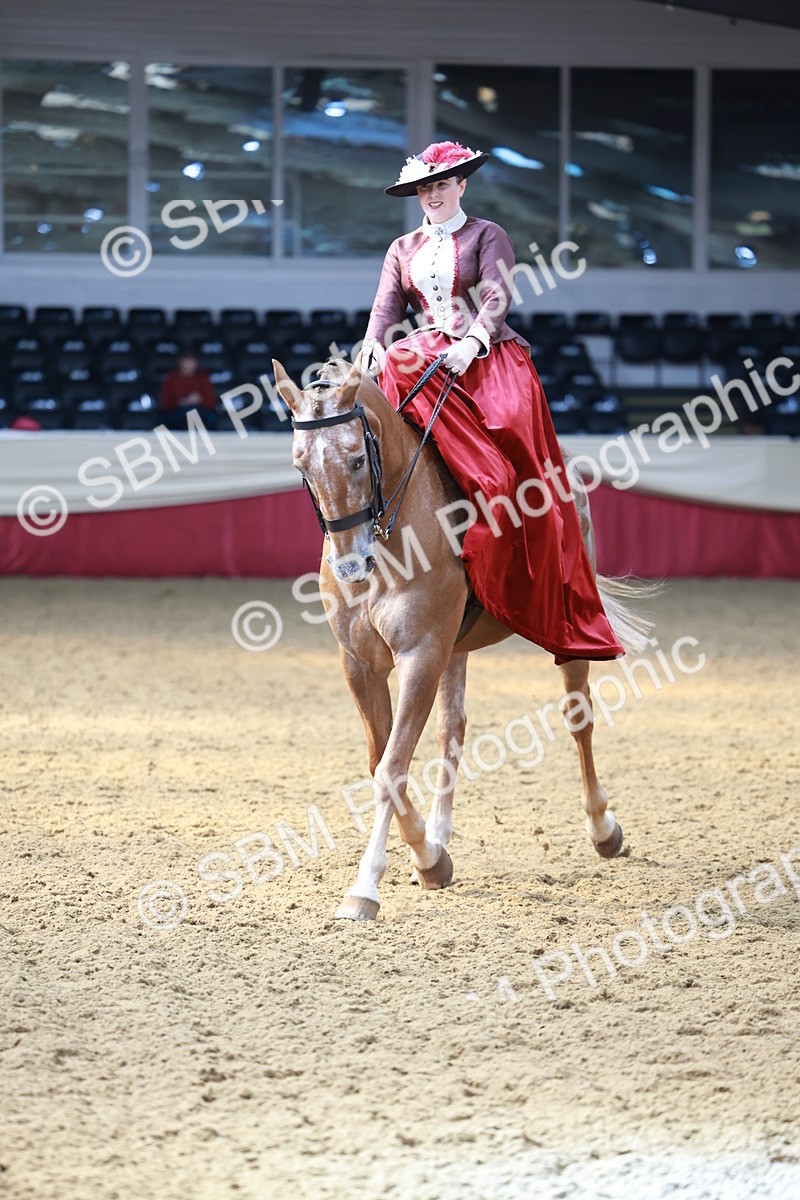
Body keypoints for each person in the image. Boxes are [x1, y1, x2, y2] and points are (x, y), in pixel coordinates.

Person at [361, 140, 623, 665]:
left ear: (461, 185)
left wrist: (473, 341)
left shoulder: (488, 234)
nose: (432, 194)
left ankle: (526, 542)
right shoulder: (401, 247)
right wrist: (372, 341)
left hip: (484, 356)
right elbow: (386, 307)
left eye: (441, 185)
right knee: (374, 429)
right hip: (425, 354)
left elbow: (498, 297)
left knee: (507, 445)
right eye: (425, 188)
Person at [159, 348, 218, 430]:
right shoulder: (171, 378)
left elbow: (211, 403)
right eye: (186, 362)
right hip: (177, 412)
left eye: (191, 361)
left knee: (201, 415)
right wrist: (180, 402)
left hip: (199, 411)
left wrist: (199, 399)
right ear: (180, 362)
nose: (189, 365)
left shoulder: (203, 378)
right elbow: (165, 403)